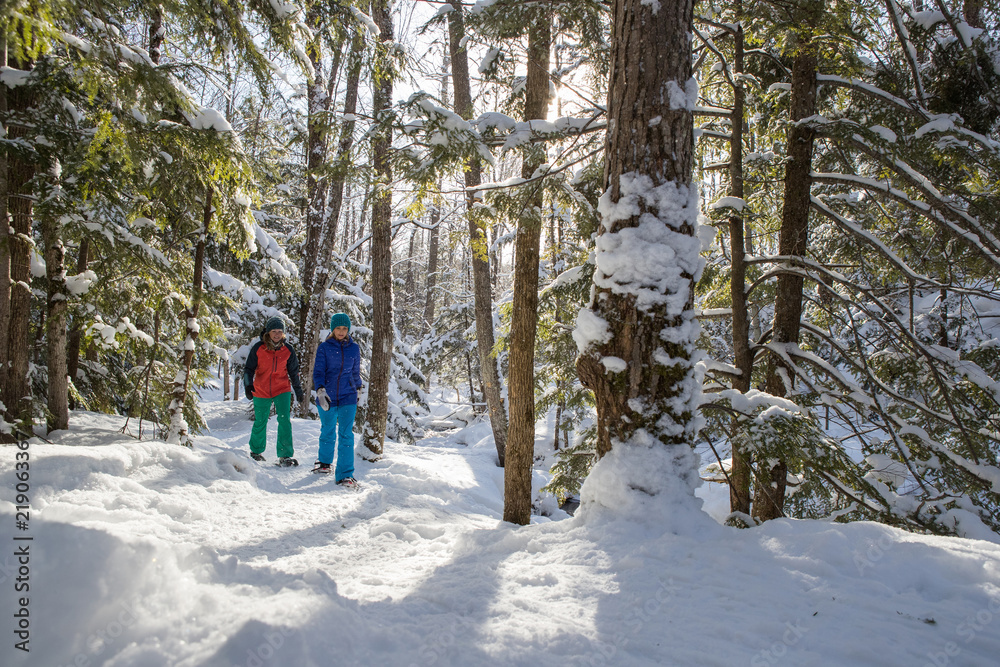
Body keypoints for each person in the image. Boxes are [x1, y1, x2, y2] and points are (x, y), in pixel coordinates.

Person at [244, 317, 304, 466]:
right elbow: (248, 369)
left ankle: (285, 455)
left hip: (281, 389)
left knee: (284, 421)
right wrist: (248, 385)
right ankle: (256, 452)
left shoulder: (288, 350)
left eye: (280, 331)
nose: (277, 334)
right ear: (268, 332)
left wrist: (298, 390)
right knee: (260, 420)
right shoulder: (259, 348)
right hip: (261, 389)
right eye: (274, 331)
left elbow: (293, 372)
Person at [312, 312, 362, 486]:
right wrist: (320, 391)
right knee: (328, 430)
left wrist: (358, 389)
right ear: (333, 329)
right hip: (328, 396)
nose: (341, 331)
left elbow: (355, 372)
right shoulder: (324, 348)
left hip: (348, 396)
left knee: (346, 434)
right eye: (338, 328)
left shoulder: (354, 348)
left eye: (345, 328)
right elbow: (318, 372)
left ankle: (345, 475)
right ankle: (325, 463)